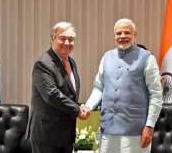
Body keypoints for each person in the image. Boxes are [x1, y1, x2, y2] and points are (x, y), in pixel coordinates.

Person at [85, 18, 163, 153]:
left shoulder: (147, 58)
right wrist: (88, 106)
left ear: (134, 34)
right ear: (114, 36)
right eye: (118, 33)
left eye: (127, 33)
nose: (122, 36)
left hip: (135, 132)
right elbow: (98, 87)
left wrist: (149, 126)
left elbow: (156, 94)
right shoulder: (106, 57)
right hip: (107, 129)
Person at [27, 22, 88, 153]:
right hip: (47, 135)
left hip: (65, 134)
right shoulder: (43, 63)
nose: (67, 43)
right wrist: (77, 109)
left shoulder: (71, 62)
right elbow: (52, 95)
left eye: (71, 39)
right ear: (52, 39)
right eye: (62, 38)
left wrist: (80, 105)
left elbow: (69, 94)